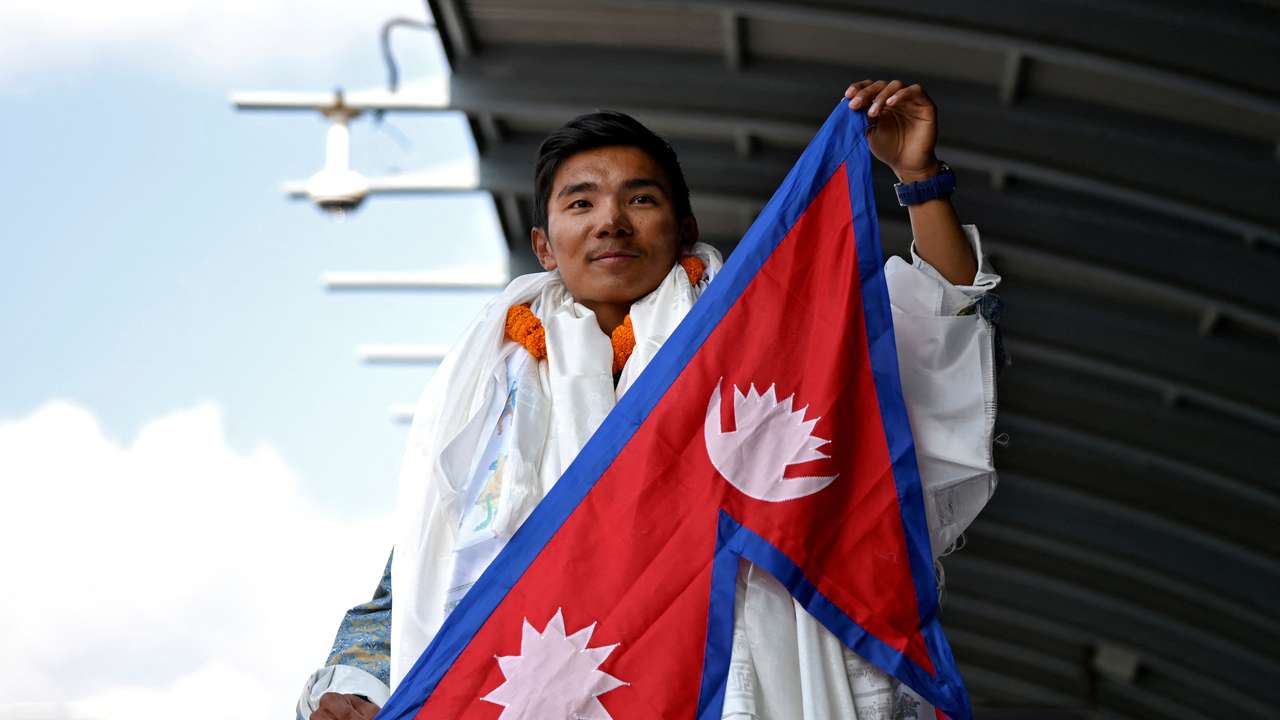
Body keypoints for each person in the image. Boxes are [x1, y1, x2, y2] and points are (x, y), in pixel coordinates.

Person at [298, 79, 1001, 720]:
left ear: (683, 228)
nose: (611, 222)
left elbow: (928, 336)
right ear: (545, 245)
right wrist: (357, 681)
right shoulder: (488, 396)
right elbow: (423, 578)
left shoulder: (764, 344)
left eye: (641, 198)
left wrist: (917, 179)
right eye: (581, 202)